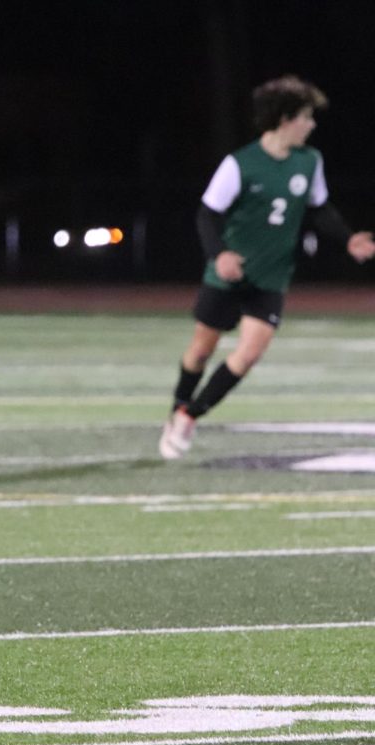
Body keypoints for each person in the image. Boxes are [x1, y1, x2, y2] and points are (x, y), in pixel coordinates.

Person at [159, 74, 375, 459]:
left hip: (272, 276)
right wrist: (220, 255)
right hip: (229, 274)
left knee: (251, 352)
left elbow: (319, 209)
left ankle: (190, 415)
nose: (312, 125)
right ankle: (177, 406)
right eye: (306, 117)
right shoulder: (240, 164)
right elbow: (207, 214)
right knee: (200, 352)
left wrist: (348, 239)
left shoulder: (310, 162)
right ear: (285, 119)